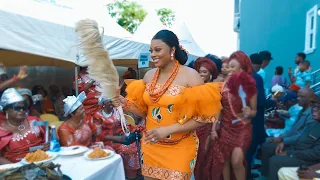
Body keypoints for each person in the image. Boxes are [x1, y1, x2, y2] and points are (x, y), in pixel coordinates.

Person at [112, 29, 222, 180]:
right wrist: (125, 103)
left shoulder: (191, 76)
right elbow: (145, 111)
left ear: (172, 50)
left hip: (180, 147)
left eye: (158, 50)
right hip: (151, 145)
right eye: (151, 50)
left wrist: (169, 129)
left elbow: (203, 117)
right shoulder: (149, 76)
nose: (153, 54)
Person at [206, 51, 257, 180]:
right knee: (225, 162)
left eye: (232, 66)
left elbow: (254, 111)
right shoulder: (224, 85)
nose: (229, 69)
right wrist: (213, 129)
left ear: (242, 67)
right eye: (229, 66)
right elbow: (219, 108)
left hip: (242, 129)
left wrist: (249, 112)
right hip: (226, 128)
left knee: (236, 162)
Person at [262, 93, 320, 180]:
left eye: (318, 108)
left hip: (307, 160)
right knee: (268, 147)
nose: (314, 110)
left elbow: (315, 154)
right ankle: (266, 175)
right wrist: (284, 143)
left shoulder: (312, 120)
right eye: (314, 107)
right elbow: (299, 136)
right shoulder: (314, 123)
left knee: (275, 161)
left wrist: (290, 153)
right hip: (298, 151)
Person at [91, 97, 141, 179]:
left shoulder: (117, 111)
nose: (111, 102)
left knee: (136, 144)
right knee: (126, 149)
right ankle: (126, 175)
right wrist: (116, 138)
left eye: (112, 101)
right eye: (108, 101)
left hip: (120, 136)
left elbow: (125, 124)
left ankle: (136, 173)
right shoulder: (98, 116)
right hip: (108, 141)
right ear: (103, 104)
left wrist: (129, 130)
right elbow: (98, 135)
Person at [0, 88, 49, 164]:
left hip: (44, 161)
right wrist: (17, 168)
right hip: (16, 169)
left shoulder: (35, 121)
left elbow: (52, 140)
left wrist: (50, 145)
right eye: (17, 108)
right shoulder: (1, 130)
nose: (22, 110)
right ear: (6, 110)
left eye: (23, 108)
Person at [193, 57, 221, 180]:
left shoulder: (213, 88)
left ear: (210, 74)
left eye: (204, 72)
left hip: (207, 128)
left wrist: (214, 129)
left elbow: (217, 110)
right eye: (199, 71)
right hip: (192, 127)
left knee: (203, 157)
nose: (201, 74)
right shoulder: (193, 87)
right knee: (194, 158)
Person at [246, 53, 267, 180]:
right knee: (250, 150)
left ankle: (246, 173)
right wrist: (271, 102)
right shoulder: (256, 77)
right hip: (254, 120)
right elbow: (260, 101)